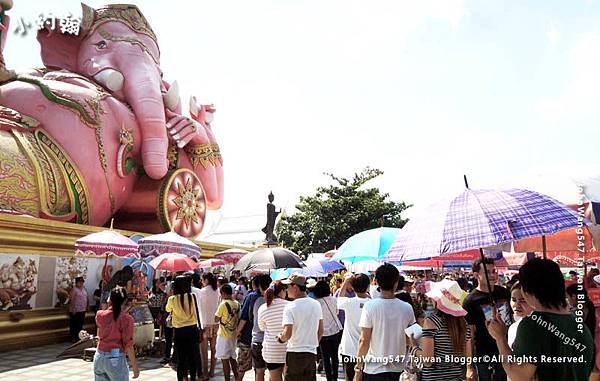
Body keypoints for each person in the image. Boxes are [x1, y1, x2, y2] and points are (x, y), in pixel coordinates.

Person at [487, 259, 595, 380]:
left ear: (527, 292)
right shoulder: (581, 326)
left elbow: (518, 375)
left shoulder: (532, 325)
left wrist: (500, 338)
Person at [354, 263, 415, 381]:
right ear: (396, 282)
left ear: (376, 281)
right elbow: (411, 339)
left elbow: (364, 340)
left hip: (374, 369)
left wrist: (358, 368)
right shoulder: (407, 307)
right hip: (398, 369)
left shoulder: (370, 306)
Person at [410, 279, 473, 381]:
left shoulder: (431, 322)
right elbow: (467, 357)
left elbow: (427, 361)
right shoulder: (463, 324)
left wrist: (414, 348)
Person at [462, 257, 512, 381]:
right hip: (484, 354)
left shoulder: (505, 292)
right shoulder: (470, 301)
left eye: (494, 271)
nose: (492, 275)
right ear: (476, 275)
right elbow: (470, 335)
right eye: (487, 272)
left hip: (507, 349)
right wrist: (469, 366)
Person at [277, 274, 324, 381]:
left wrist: (280, 338)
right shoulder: (316, 304)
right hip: (311, 354)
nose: (286, 289)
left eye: (288, 286)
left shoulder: (290, 307)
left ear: (295, 287)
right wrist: (313, 344)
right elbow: (321, 331)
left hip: (294, 354)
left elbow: (287, 334)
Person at [94, 286, 139, 380]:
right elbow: (128, 345)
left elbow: (100, 332)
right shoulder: (127, 319)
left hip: (99, 356)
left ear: (110, 299)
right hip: (115, 357)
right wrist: (135, 367)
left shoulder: (100, 315)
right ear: (125, 300)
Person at [166, 276, 200, 381]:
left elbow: (168, 309)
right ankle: (193, 378)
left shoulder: (172, 299)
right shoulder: (192, 297)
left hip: (179, 331)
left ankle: (181, 378)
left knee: (181, 359)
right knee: (192, 357)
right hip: (192, 330)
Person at [337, 273, 370, 381]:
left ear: (353, 287)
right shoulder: (372, 304)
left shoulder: (348, 302)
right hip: (368, 351)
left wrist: (346, 281)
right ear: (368, 286)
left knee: (349, 377)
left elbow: (339, 298)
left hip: (349, 350)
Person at [258, 281, 289, 381]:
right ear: (282, 291)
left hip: (271, 351)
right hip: (288, 350)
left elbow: (262, 327)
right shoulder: (290, 306)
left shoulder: (263, 308)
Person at [312, 280, 342, 381]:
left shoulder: (316, 303)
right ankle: (335, 377)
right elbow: (337, 312)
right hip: (335, 330)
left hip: (323, 333)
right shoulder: (334, 299)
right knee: (335, 356)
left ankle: (329, 378)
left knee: (325, 357)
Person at [215, 284, 240, 381]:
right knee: (233, 358)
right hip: (233, 336)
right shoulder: (237, 304)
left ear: (224, 293)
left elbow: (216, 319)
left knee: (224, 360)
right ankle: (237, 377)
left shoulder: (223, 304)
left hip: (223, 336)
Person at [199, 272, 220, 379]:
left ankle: (205, 372)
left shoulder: (201, 292)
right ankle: (212, 371)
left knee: (203, 351)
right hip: (215, 324)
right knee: (213, 350)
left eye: (202, 280)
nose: (202, 282)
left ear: (206, 280)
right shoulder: (218, 291)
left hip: (204, 324)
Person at [506, 282, 533, 350]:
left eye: (523, 300)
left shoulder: (542, 326)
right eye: (514, 300)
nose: (516, 305)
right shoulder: (512, 328)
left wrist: (500, 339)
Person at [69, 276, 88, 342]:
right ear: (76, 283)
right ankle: (73, 337)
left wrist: (87, 306)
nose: (81, 283)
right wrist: (73, 308)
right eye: (80, 282)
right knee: (74, 324)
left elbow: (86, 298)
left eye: (82, 282)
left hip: (82, 309)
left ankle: (79, 337)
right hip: (76, 310)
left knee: (80, 324)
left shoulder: (84, 289)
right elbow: (72, 300)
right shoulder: (74, 290)